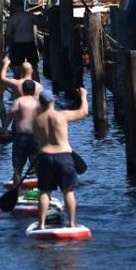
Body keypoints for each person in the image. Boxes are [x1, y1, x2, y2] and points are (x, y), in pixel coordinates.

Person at [34, 87, 89, 229]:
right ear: (52, 101)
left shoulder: (36, 121)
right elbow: (84, 112)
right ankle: (71, 224)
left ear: (40, 102)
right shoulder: (62, 115)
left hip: (45, 157)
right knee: (68, 191)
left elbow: (37, 140)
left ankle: (41, 225)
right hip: (64, 156)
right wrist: (83, 95)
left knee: (45, 192)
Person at [4, 79, 40, 187]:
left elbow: (10, 113)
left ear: (23, 90)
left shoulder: (19, 101)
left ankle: (16, 194)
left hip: (21, 137)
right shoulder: (39, 103)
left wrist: (4, 128)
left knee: (17, 169)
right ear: (34, 90)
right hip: (35, 138)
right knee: (37, 168)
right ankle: (40, 195)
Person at [5, 3, 40, 80]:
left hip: (18, 43)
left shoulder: (12, 18)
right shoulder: (30, 16)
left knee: (17, 68)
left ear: (15, 7)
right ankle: (37, 87)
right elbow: (41, 24)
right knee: (34, 67)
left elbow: (8, 34)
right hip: (30, 43)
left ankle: (18, 88)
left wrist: (15, 37)